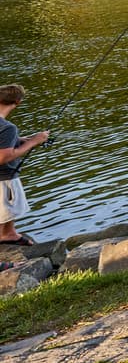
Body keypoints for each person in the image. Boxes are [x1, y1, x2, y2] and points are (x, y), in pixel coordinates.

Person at [0, 84, 50, 246]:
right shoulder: (8, 127)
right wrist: (34, 142)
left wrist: (20, 140)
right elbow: (4, 157)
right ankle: (7, 235)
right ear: (18, 102)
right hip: (3, 177)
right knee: (7, 207)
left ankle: (8, 233)